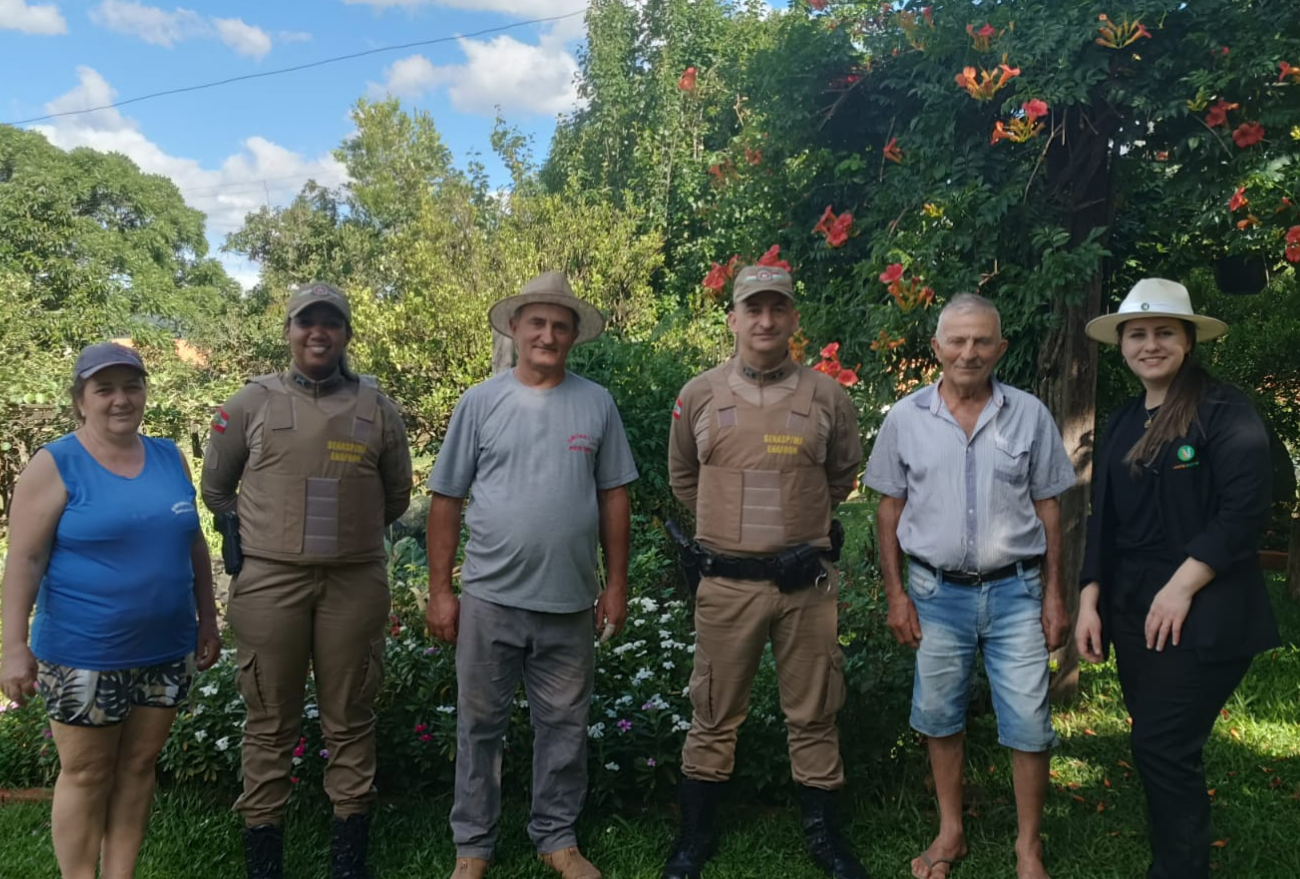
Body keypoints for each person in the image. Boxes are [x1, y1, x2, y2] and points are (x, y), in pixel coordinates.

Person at [426, 271, 638, 879]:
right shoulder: (480, 402)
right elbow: (446, 498)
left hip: (570, 601)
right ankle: (473, 847)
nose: (548, 334)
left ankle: (557, 839)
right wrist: (441, 591)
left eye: (560, 325)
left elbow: (613, 498)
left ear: (573, 336)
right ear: (516, 329)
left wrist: (616, 584)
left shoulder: (595, 402)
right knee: (479, 726)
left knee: (564, 728)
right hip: (490, 597)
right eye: (537, 323)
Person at [202, 282, 412, 879]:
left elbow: (396, 495)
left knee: (351, 717)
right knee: (269, 719)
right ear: (289, 330)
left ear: (346, 334)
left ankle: (349, 859)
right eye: (306, 322)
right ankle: (265, 858)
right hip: (270, 584)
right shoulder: (251, 403)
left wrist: (344, 534)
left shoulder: (377, 407)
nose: (317, 332)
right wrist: (267, 536)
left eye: (331, 323)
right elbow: (216, 488)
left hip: (353, 583)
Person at [663, 265, 867, 879]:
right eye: (753, 309)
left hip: (805, 587)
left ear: (793, 320)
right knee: (713, 711)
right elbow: (683, 479)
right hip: (726, 586)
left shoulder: (828, 396)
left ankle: (825, 837)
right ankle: (694, 838)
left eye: (778, 308)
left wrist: (793, 529)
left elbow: (842, 476)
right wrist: (734, 532)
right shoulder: (697, 395)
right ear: (733, 318)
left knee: (815, 709)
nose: (766, 320)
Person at [862, 294, 1076, 879]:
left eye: (982, 341)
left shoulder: (1029, 414)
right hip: (935, 595)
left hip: (1016, 593)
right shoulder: (905, 418)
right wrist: (896, 595)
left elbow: (1049, 510)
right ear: (936, 348)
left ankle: (1028, 847)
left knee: (1029, 723)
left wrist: (1056, 595)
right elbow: (888, 512)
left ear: (1000, 349)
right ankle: (950, 832)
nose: (969, 351)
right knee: (939, 717)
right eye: (956, 340)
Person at [1075, 278, 1279, 879]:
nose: (1150, 344)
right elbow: (1102, 520)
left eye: (1164, 332)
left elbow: (1245, 509)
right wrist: (1090, 599)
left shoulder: (1224, 410)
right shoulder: (1119, 423)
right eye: (1137, 334)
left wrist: (1182, 585)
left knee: (1161, 746)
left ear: (1188, 340)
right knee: (1161, 745)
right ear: (1122, 345)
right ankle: (1173, 853)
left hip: (1203, 610)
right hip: (1133, 609)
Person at [0, 342, 221, 879]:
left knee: (139, 766)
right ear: (81, 401)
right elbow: (24, 560)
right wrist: (11, 647)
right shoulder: (55, 464)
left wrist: (208, 617)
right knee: (87, 774)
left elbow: (192, 542)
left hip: (166, 648)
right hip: (83, 653)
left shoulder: (170, 456)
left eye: (132, 386)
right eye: (105, 389)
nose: (121, 399)